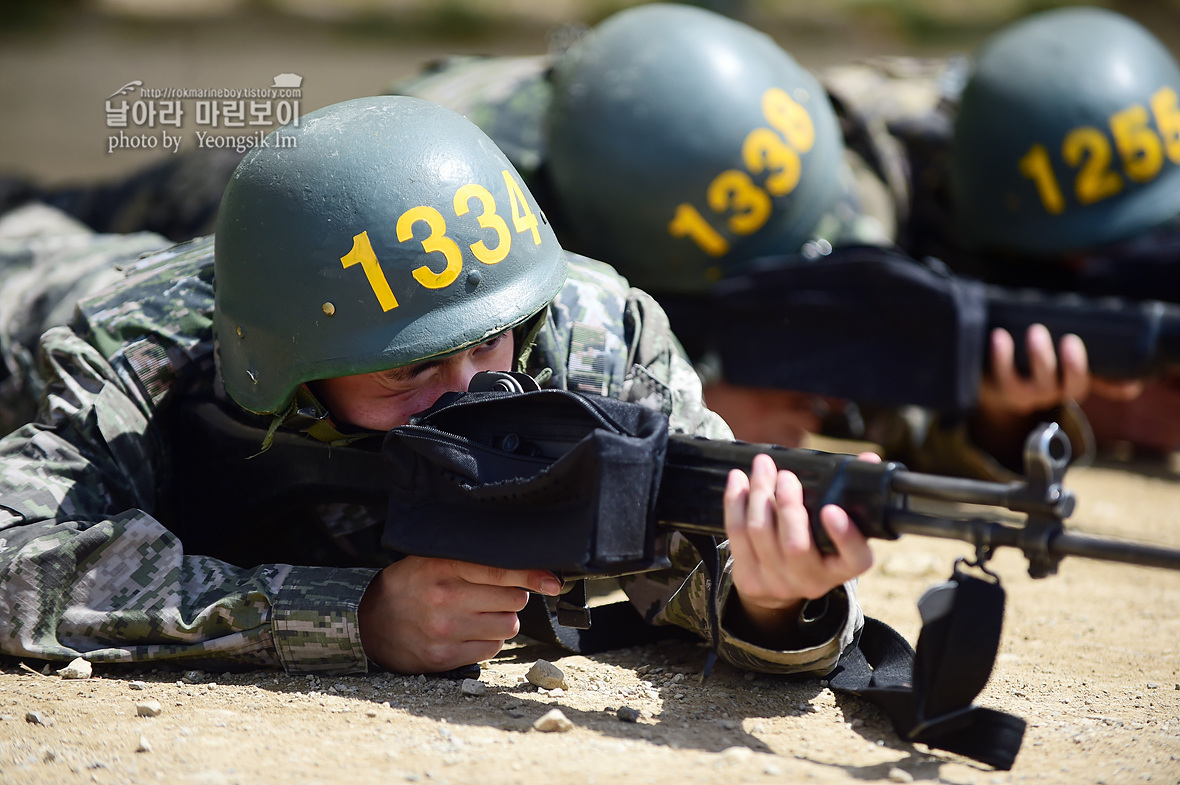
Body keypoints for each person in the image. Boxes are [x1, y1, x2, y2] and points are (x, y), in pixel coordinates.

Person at [0, 95, 873, 677]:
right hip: (40, 284)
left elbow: (696, 547)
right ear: (291, 377)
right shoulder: (149, 351)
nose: (467, 392)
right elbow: (12, 555)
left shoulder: (592, 332)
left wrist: (769, 599)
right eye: (409, 366)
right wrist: (353, 617)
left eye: (490, 343)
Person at [388, 2, 1106, 478]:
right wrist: (697, 394)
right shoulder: (455, 192)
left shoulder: (785, 160)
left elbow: (879, 365)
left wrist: (996, 414)